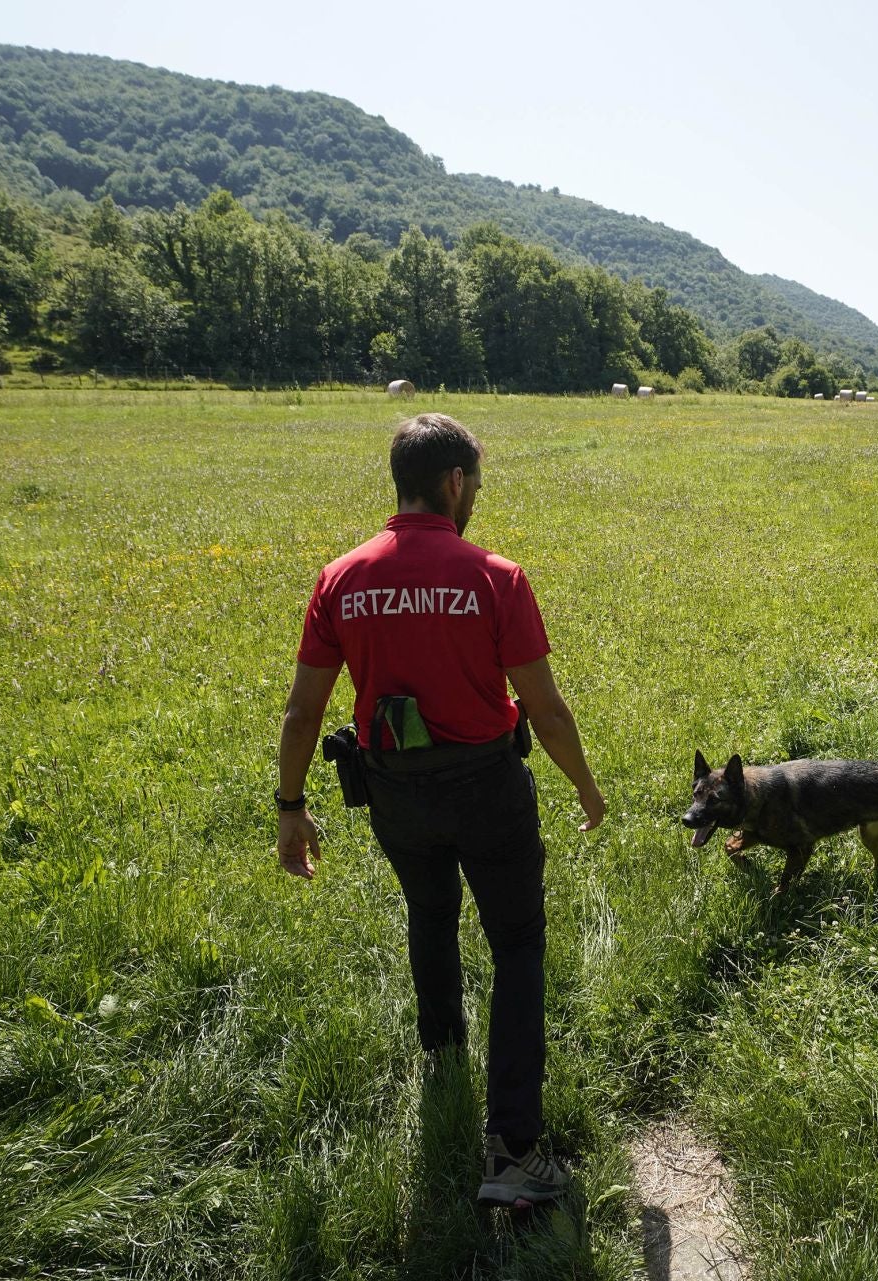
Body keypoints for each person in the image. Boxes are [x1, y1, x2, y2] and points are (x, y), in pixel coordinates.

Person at [274, 412, 605, 1208]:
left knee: (431, 915)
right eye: (476, 484)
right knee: (519, 943)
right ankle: (515, 1152)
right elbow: (547, 711)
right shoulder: (496, 575)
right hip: (489, 785)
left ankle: (444, 1062)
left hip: (394, 789)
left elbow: (302, 713)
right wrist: (587, 789)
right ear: (454, 483)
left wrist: (291, 807)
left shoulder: (340, 577)